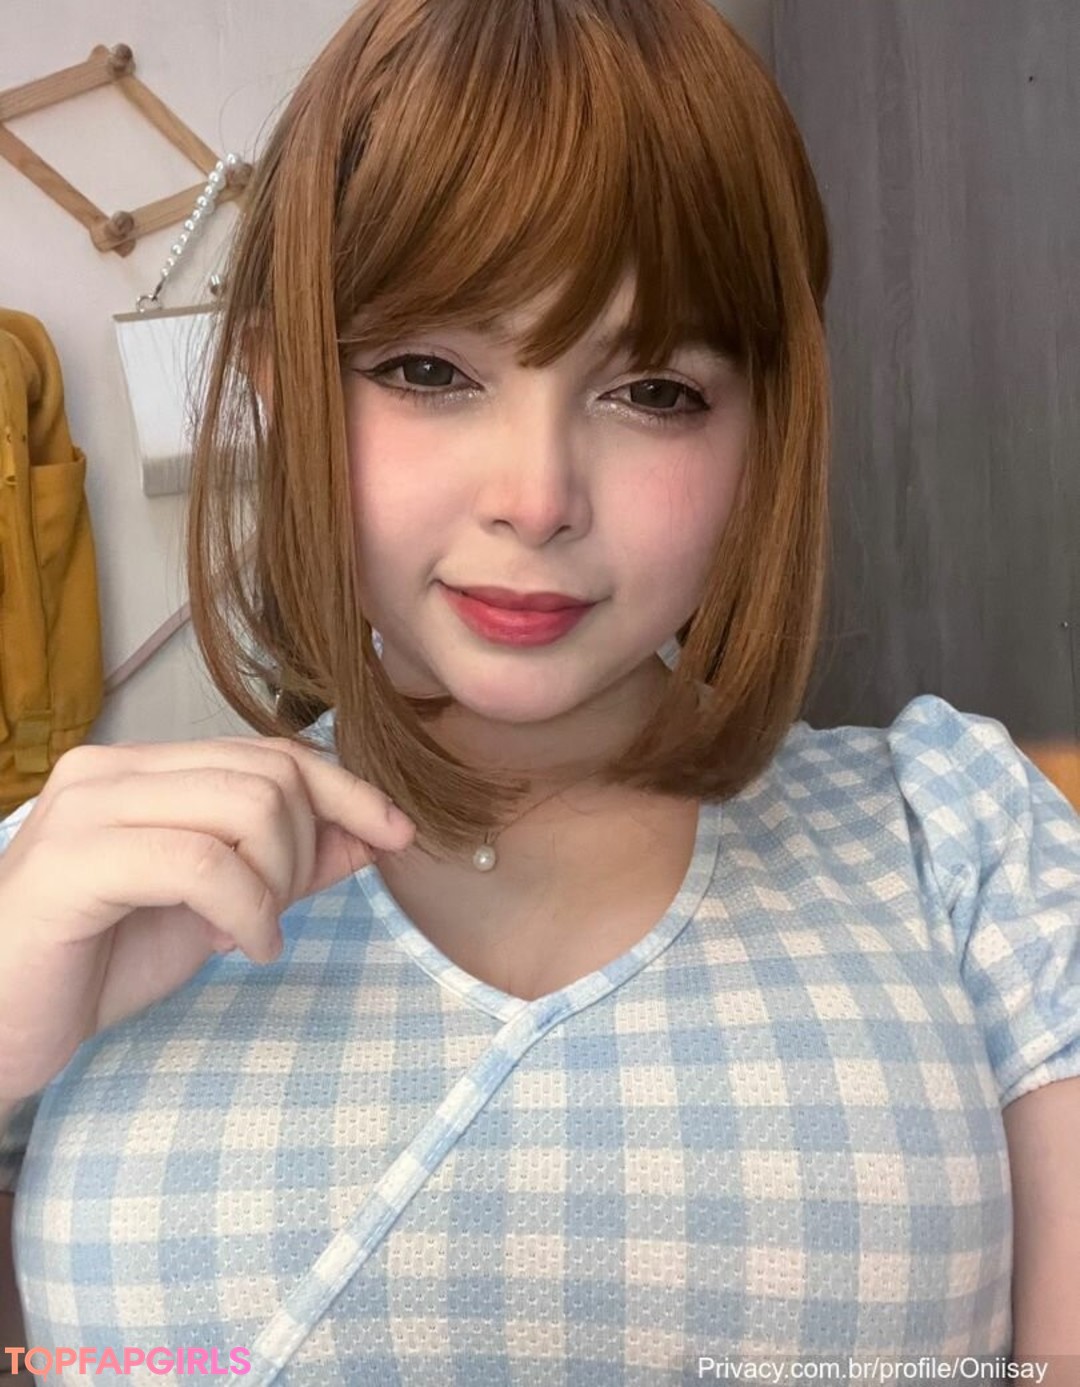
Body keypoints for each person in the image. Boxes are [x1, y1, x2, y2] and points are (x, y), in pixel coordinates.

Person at [1, 0, 1078, 1381]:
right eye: (428, 370)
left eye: (655, 391)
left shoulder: (966, 845)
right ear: (282, 384)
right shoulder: (64, 897)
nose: (537, 497)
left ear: (767, 424)